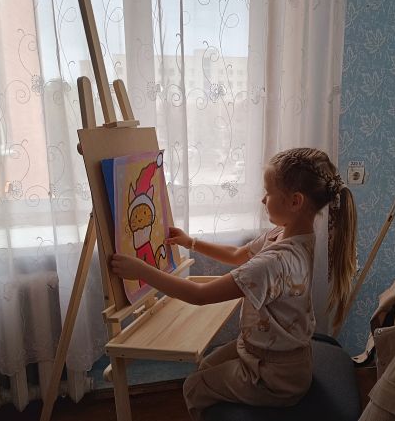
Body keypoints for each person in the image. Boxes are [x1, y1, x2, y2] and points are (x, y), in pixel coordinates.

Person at [110, 147, 357, 420]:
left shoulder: (275, 262)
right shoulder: (286, 234)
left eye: (268, 192)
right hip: (268, 353)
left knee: (193, 386)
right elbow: (238, 255)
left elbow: (200, 295)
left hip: (276, 377)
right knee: (205, 365)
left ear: (295, 201)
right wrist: (190, 242)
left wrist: (142, 271)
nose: (263, 199)